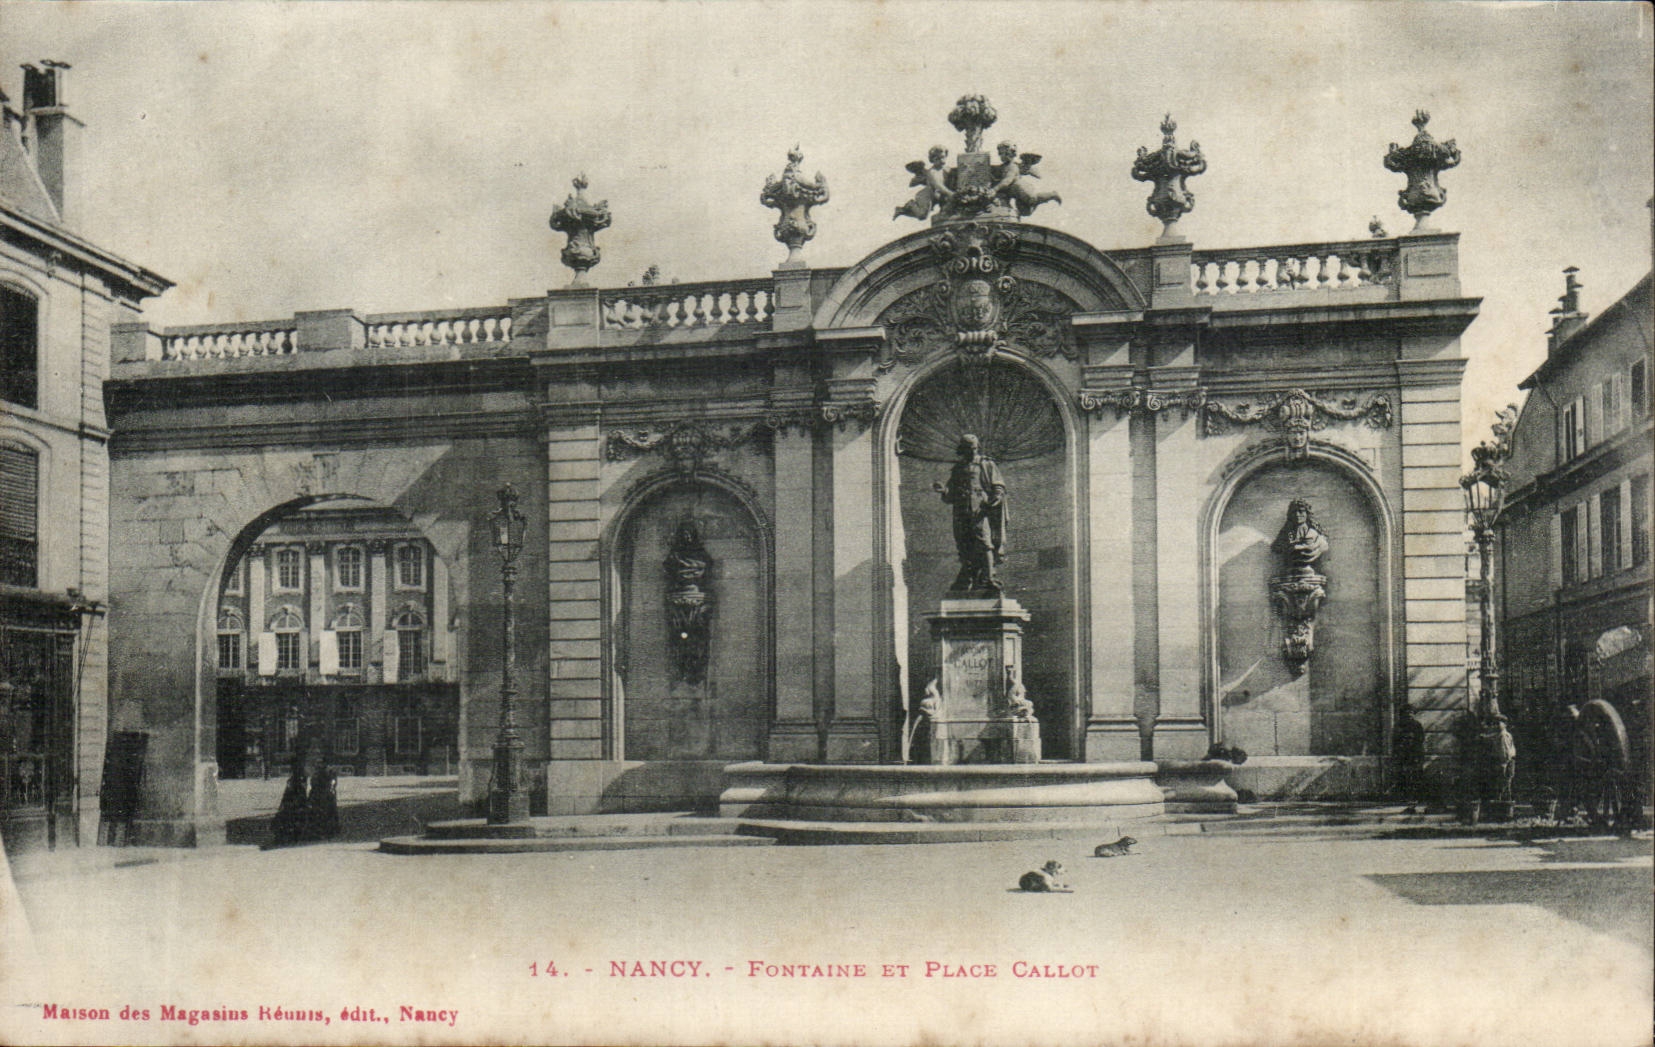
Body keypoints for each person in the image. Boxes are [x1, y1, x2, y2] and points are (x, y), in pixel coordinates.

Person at [934, 434, 1007, 593]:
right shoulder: (958, 468)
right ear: (963, 450)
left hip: (980, 508)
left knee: (984, 541)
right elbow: (950, 495)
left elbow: (998, 485)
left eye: (974, 448)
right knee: (964, 543)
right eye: (968, 449)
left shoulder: (986, 464)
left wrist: (996, 496)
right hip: (962, 510)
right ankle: (967, 579)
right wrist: (943, 490)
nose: (972, 452)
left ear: (977, 447)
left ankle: (989, 578)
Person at [1271, 498, 1329, 577]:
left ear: (1307, 514)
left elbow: (1321, 547)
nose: (1297, 515)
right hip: (1290, 574)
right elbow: (1276, 548)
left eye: (1301, 511)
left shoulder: (1315, 535)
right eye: (1294, 512)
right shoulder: (1285, 535)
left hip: (1308, 573)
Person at [1393, 702, 1427, 812]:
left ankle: (1416, 799)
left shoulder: (1417, 725)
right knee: (1405, 777)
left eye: (1411, 713)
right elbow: (1395, 741)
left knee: (1416, 777)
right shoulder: (1399, 726)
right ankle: (1407, 800)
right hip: (1404, 756)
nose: (1409, 715)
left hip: (1415, 755)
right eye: (1406, 713)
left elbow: (1421, 740)